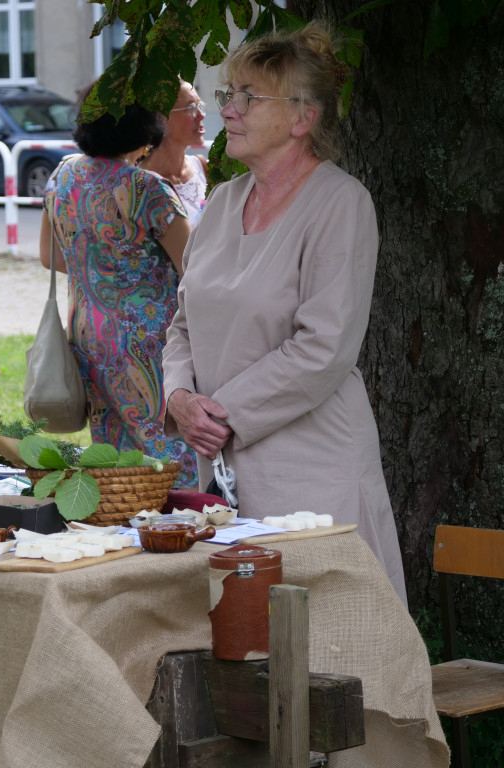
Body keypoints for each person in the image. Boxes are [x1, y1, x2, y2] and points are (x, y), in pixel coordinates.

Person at [161, 23, 408, 603]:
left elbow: (324, 348)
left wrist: (219, 414)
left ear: (302, 119)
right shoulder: (221, 203)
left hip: (313, 474)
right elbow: (182, 324)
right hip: (222, 469)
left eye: (250, 96)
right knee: (246, 654)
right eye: (229, 95)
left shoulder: (341, 204)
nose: (230, 110)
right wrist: (178, 397)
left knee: (333, 651)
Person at [39, 86, 197, 488]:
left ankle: (124, 521)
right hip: (150, 343)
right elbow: (195, 270)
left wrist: (97, 270)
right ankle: (174, 531)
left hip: (88, 337)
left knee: (114, 453)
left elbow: (47, 255)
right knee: (168, 453)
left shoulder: (64, 174)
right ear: (147, 127)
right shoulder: (148, 189)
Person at [139, 80, 210, 225]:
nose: (201, 115)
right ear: (161, 118)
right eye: (191, 108)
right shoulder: (139, 181)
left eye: (200, 106)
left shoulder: (203, 167)